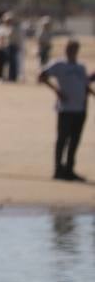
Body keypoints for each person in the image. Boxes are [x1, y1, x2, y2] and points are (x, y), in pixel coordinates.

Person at [39, 39, 95, 182]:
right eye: (70, 49)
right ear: (66, 49)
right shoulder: (59, 64)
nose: (72, 51)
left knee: (75, 140)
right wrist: (56, 90)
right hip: (66, 109)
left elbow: (85, 85)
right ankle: (58, 169)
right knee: (62, 139)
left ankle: (69, 169)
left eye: (75, 49)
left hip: (81, 109)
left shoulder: (80, 67)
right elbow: (42, 76)